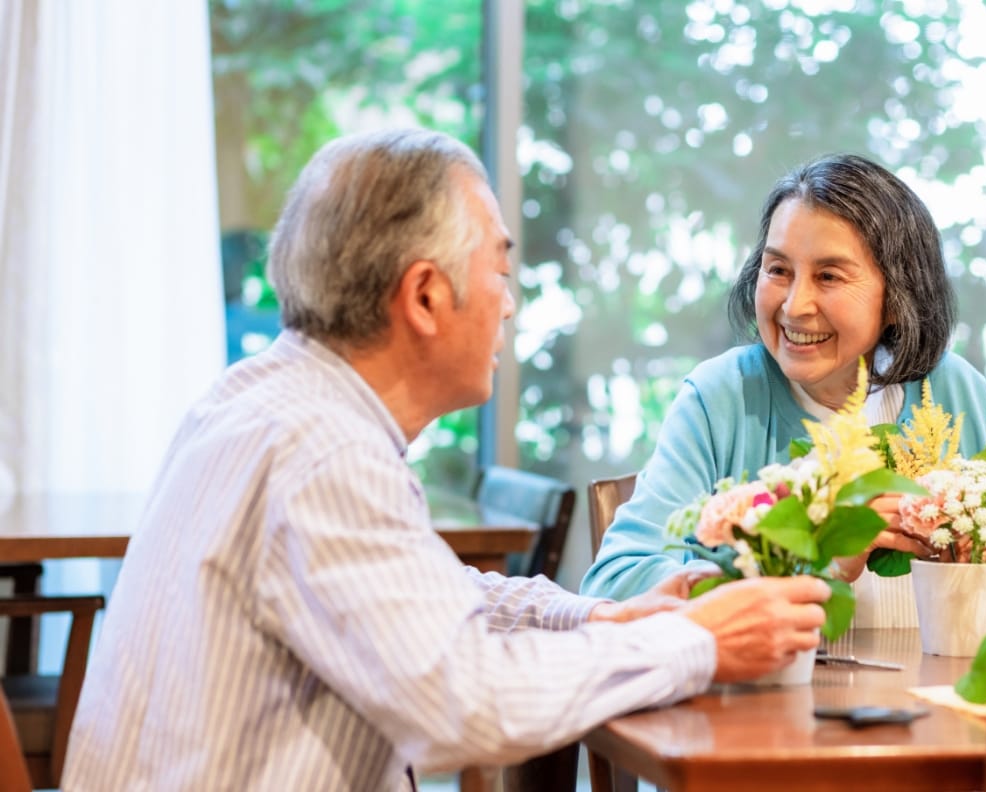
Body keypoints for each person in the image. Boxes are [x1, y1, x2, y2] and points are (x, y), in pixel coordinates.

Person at [62, 129, 833, 790]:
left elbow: (405, 597)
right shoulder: (323, 450)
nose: (509, 302)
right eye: (500, 269)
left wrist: (596, 614)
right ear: (426, 296)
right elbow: (468, 705)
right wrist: (700, 641)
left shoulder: (258, 398)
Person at [580, 153, 986, 624]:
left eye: (829, 276)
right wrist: (811, 557)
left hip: (935, 716)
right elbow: (615, 585)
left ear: (897, 294)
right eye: (779, 270)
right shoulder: (722, 396)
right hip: (767, 714)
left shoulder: (951, 391)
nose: (794, 306)